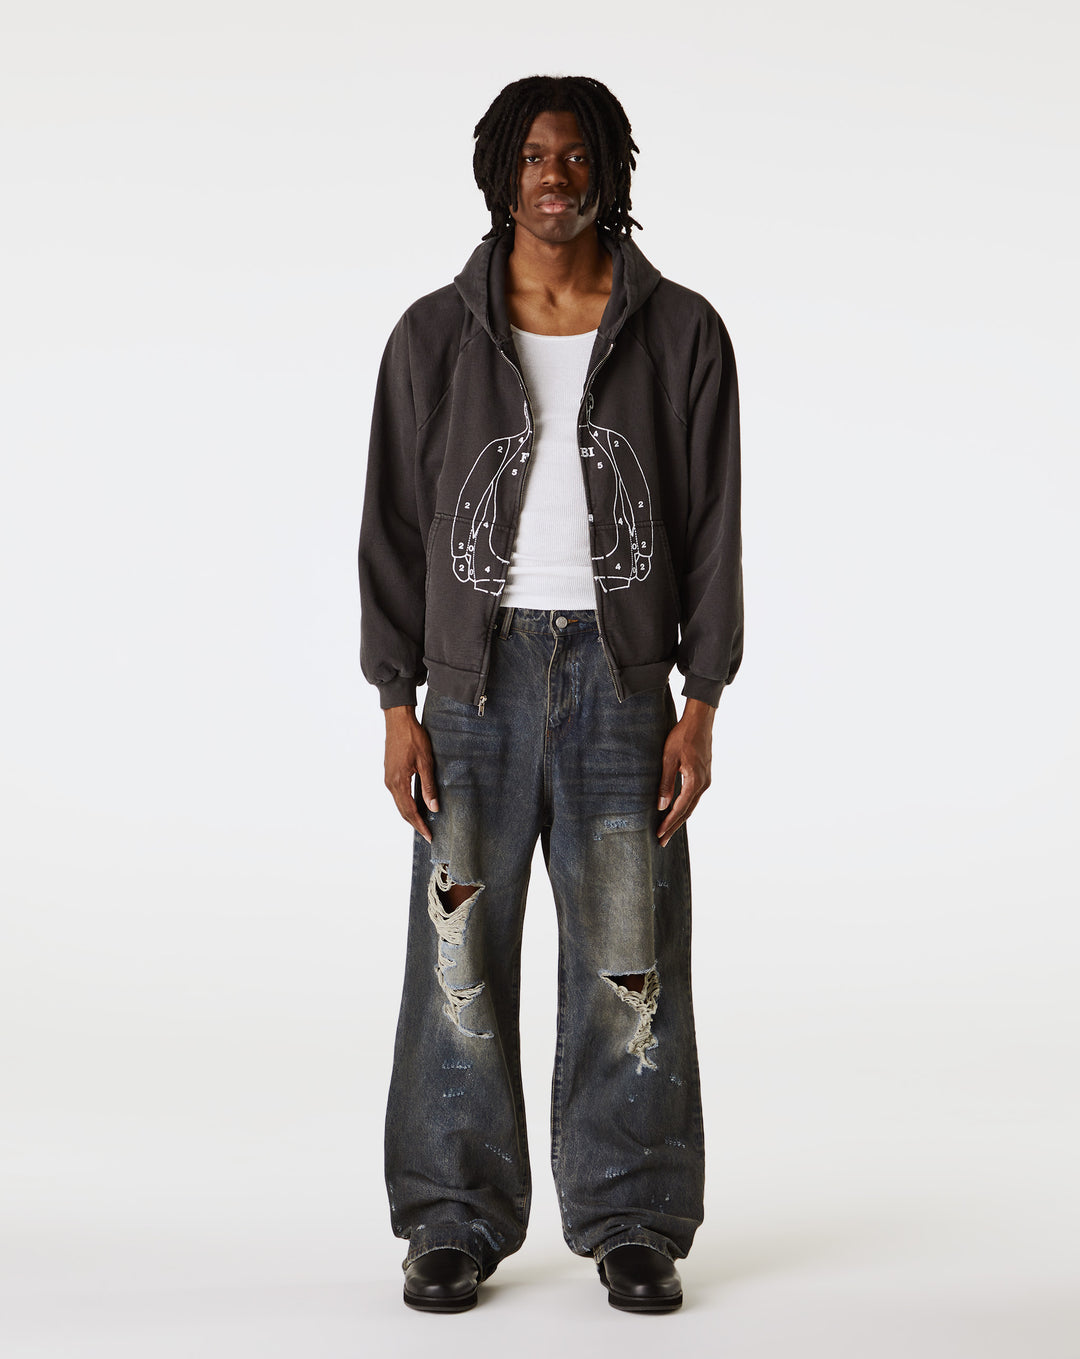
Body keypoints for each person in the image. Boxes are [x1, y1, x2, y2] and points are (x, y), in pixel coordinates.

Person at [358, 74, 743, 1314]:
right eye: (533, 156)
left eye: (576, 157)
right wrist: (397, 699)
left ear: (608, 172)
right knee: (457, 951)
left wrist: (702, 698)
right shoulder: (434, 336)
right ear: (499, 173)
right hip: (472, 689)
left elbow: (715, 525)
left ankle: (634, 1218)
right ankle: (451, 1219)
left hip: (626, 686)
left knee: (633, 956)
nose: (555, 177)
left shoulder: (682, 333)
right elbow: (394, 523)